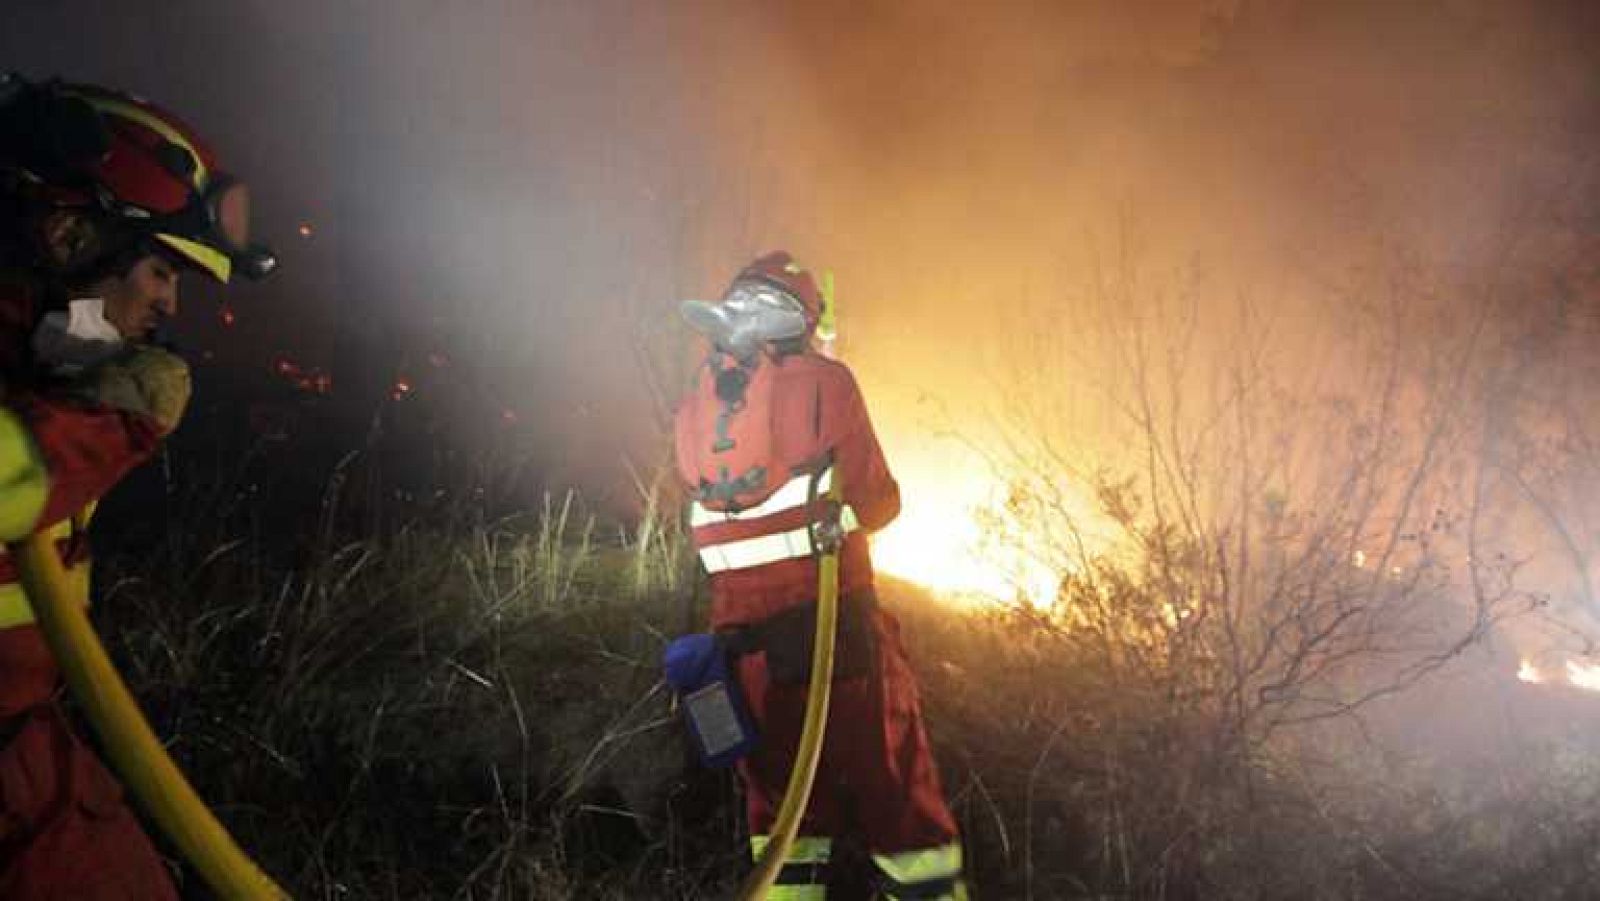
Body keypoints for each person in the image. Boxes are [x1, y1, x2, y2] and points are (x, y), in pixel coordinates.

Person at [0, 74, 274, 899]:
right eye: (158, 271)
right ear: (64, 234)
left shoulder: (40, 363)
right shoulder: (66, 402)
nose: (167, 305)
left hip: (28, 748)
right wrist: (111, 421)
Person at [675, 251, 968, 900]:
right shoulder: (826, 382)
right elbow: (878, 504)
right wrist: (829, 377)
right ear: (803, 319)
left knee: (785, 827)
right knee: (901, 803)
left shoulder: (694, 407)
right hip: (840, 644)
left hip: (743, 662)